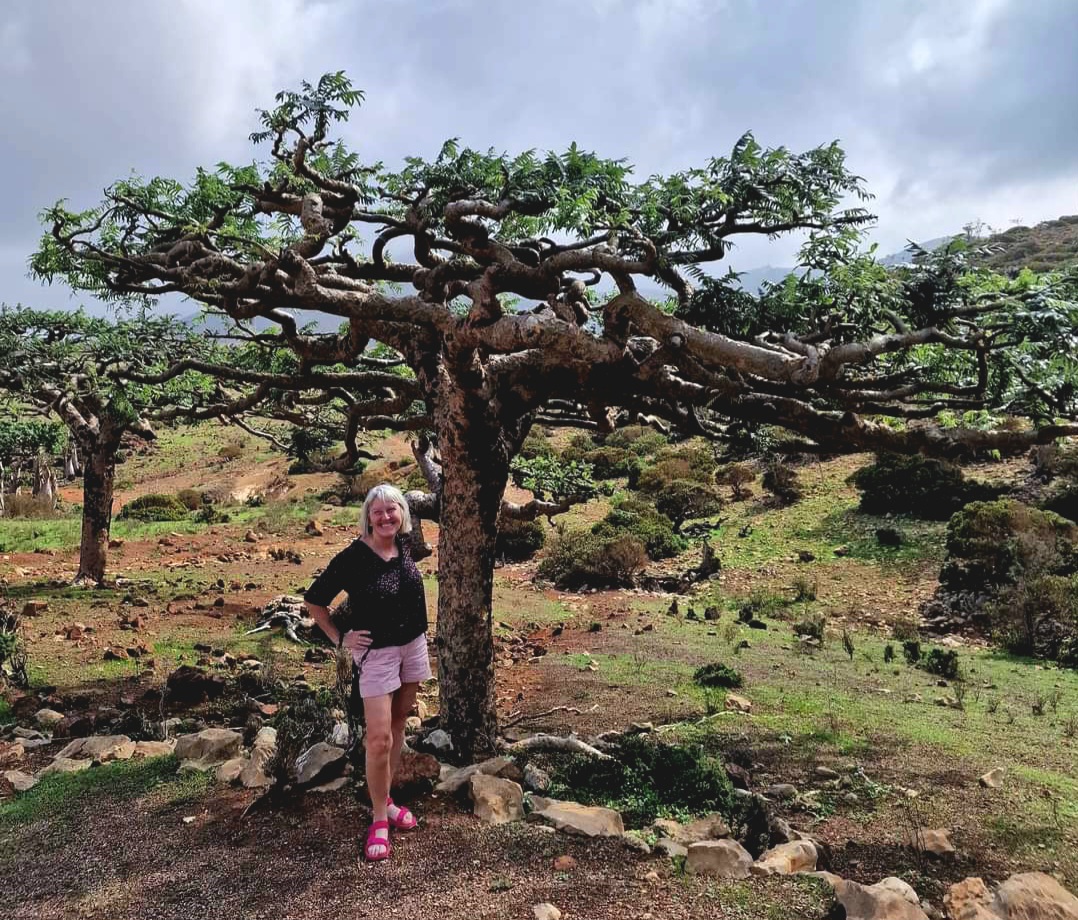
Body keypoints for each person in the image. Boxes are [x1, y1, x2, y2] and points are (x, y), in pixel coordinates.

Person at [303, 482, 432, 861]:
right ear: (368, 517)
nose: (386, 516)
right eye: (378, 511)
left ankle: (387, 801)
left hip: (414, 646)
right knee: (377, 739)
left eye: (392, 509)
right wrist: (340, 638)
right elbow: (314, 600)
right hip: (376, 654)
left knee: (396, 729)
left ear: (402, 514)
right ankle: (378, 818)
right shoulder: (354, 557)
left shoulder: (405, 544)